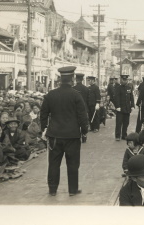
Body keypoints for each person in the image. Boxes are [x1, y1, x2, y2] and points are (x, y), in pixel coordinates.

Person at [40, 66, 89, 196]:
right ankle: (72, 190)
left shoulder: (51, 95)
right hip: (72, 136)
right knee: (73, 164)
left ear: (60, 79)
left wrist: (44, 129)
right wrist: (84, 131)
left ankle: (52, 190)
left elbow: (43, 114)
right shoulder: (76, 96)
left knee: (53, 164)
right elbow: (82, 117)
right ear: (72, 79)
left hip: (55, 135)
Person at [114, 74, 135, 141]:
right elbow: (116, 98)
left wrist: (132, 105)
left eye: (125, 80)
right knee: (119, 123)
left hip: (127, 109)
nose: (124, 81)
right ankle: (117, 136)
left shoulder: (129, 88)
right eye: (123, 79)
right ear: (121, 80)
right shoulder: (118, 88)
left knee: (126, 123)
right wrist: (117, 106)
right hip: (120, 109)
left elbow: (131, 97)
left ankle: (124, 135)